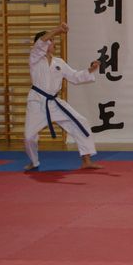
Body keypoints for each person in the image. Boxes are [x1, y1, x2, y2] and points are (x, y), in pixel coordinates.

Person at [23, 23, 102, 171]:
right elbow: (40, 42)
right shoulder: (35, 58)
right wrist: (57, 30)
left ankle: (86, 160)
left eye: (53, 40)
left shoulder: (59, 63)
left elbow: (75, 77)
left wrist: (91, 69)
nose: (53, 43)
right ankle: (34, 162)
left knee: (81, 122)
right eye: (51, 40)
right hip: (37, 102)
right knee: (29, 137)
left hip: (54, 102)